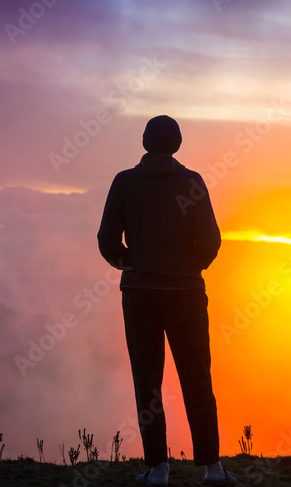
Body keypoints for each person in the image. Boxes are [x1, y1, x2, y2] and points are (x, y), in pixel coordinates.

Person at [97, 115, 235, 486]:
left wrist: (134, 266)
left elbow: (107, 239)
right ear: (177, 144)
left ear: (144, 141)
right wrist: (190, 267)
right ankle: (212, 469)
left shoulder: (124, 183)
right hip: (186, 293)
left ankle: (158, 469)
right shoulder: (192, 183)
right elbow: (210, 241)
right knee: (196, 378)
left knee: (148, 382)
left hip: (139, 295)